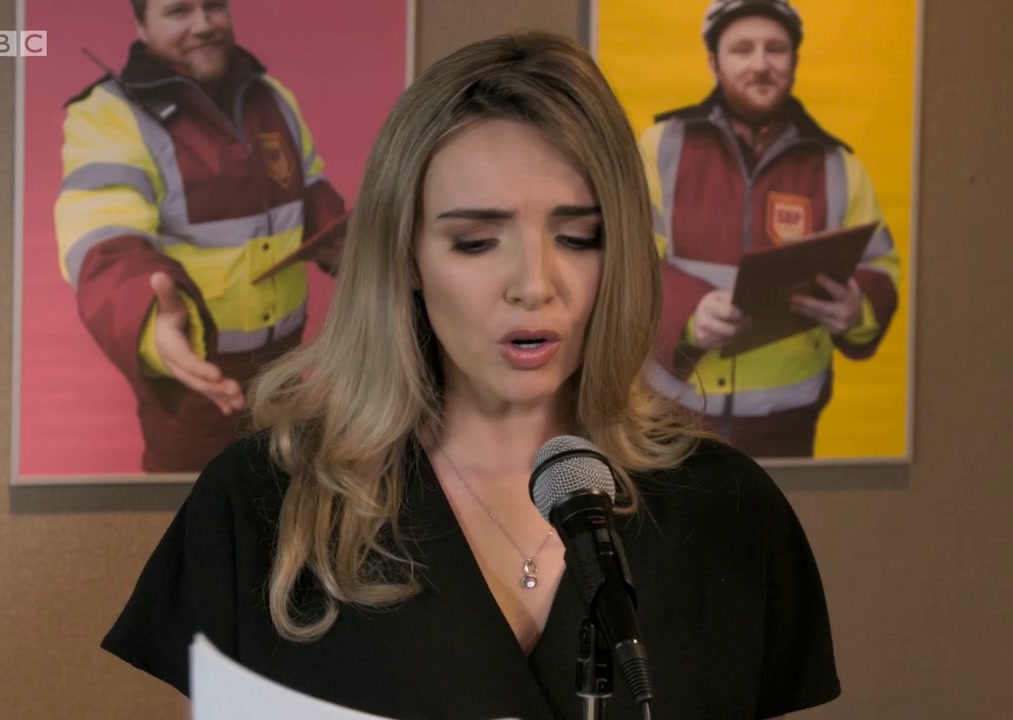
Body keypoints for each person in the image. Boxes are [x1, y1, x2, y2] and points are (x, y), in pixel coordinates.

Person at [101, 30, 840, 719]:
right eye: (477, 242)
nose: (534, 286)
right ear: (406, 257)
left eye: (578, 237)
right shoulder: (261, 507)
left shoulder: (729, 512)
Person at [53, 0, 348, 473]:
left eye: (213, 6)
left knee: (288, 507)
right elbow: (103, 238)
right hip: (196, 389)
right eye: (178, 11)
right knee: (192, 516)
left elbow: (308, 187)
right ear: (141, 26)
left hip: (285, 375)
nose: (203, 25)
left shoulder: (274, 97)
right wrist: (151, 324)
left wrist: (346, 242)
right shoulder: (108, 114)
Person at [639, 0, 902, 458]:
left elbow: (881, 267)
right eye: (743, 49)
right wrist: (690, 313)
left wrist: (857, 307)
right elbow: (625, 260)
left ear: (795, 61)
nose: (760, 64)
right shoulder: (660, 146)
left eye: (775, 49)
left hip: (787, 430)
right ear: (713, 62)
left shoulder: (840, 166)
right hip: (670, 421)